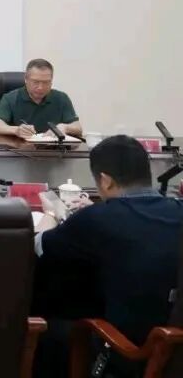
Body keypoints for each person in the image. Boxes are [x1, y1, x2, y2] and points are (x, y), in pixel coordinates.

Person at [34, 136, 183, 377]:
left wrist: (51, 214)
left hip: (131, 355)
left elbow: (38, 245)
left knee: (49, 329)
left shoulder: (96, 219)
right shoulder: (178, 209)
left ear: (105, 180)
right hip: (173, 350)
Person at [0, 59, 82, 139]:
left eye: (46, 82)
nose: (40, 87)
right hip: (20, 149)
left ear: (51, 81)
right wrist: (16, 130)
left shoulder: (61, 98)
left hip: (53, 150)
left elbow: (78, 128)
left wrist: (65, 127)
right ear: (26, 79)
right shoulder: (10, 98)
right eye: (35, 82)